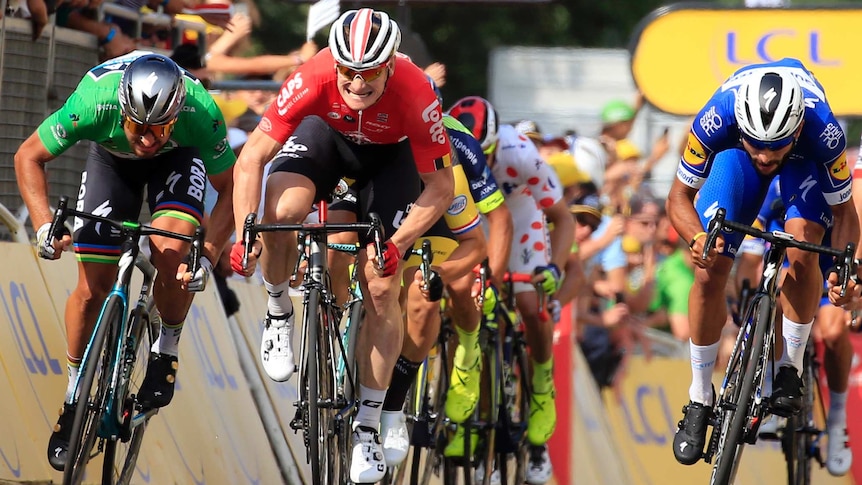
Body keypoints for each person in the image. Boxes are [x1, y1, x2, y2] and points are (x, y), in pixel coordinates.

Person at [228, 9, 454, 483]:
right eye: (347, 70)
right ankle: (277, 311)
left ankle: (368, 426)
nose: (355, 82)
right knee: (284, 213)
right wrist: (247, 229)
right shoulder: (312, 75)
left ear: (389, 66)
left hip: (388, 159)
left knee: (379, 283)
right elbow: (252, 157)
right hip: (325, 137)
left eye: (368, 72)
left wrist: (399, 242)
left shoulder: (415, 93)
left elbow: (441, 189)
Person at [14, 51, 236, 471]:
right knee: (91, 290)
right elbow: (28, 156)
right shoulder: (93, 103)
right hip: (111, 161)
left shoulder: (200, 111)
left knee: (170, 256)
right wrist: (44, 226)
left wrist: (207, 255)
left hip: (179, 157)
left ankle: (165, 349)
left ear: (176, 113)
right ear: (122, 109)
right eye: (140, 126)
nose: (149, 139)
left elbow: (232, 188)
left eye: (159, 128)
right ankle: (73, 398)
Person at [667, 58, 860, 466]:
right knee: (709, 270)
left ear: (794, 130)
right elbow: (677, 199)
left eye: (775, 146)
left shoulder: (823, 131)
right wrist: (697, 238)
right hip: (731, 154)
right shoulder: (716, 118)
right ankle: (700, 396)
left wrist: (843, 272)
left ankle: (789, 366)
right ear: (741, 127)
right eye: (757, 143)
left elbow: (845, 215)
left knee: (803, 250)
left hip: (804, 160)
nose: (765, 155)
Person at [448, 96, 574, 484]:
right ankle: (464, 411)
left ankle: (540, 383)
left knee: (528, 300)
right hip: (472, 214)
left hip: (519, 217)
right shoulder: (448, 143)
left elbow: (563, 218)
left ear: (496, 143)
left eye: (484, 152)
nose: (478, 159)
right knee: (463, 302)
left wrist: (555, 267)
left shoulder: (521, 152)